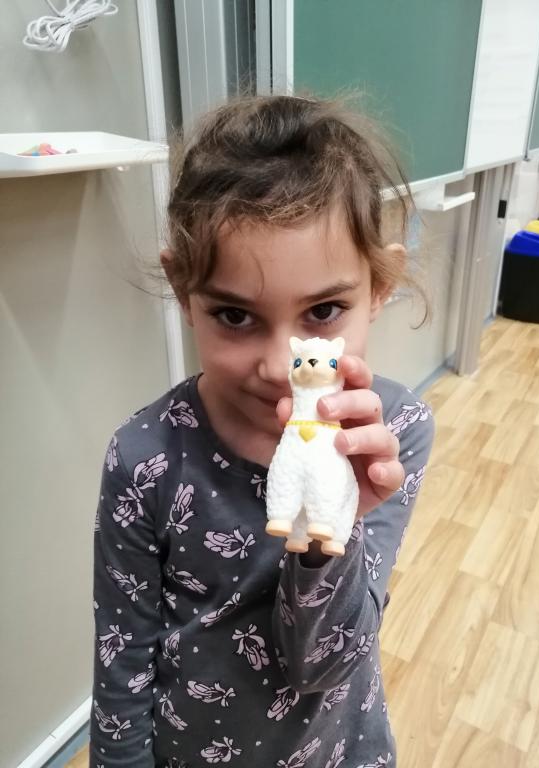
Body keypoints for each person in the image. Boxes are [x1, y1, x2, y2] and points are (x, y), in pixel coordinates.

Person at [90, 94, 435, 768]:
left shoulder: (393, 434)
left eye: (324, 310)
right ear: (184, 289)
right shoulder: (144, 459)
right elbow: (121, 661)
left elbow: (324, 664)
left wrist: (331, 527)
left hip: (337, 749)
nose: (281, 367)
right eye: (235, 315)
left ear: (379, 286)